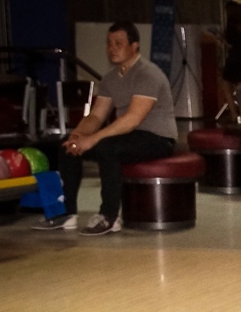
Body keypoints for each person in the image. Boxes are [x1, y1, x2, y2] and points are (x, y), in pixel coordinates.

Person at [33, 22, 176, 234]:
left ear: (134, 46)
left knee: (107, 147)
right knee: (67, 145)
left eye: (119, 43)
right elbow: (97, 115)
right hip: (129, 135)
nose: (112, 48)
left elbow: (133, 119)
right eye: (109, 43)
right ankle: (66, 213)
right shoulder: (110, 78)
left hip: (158, 138)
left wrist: (93, 139)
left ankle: (109, 216)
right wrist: (78, 135)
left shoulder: (147, 74)